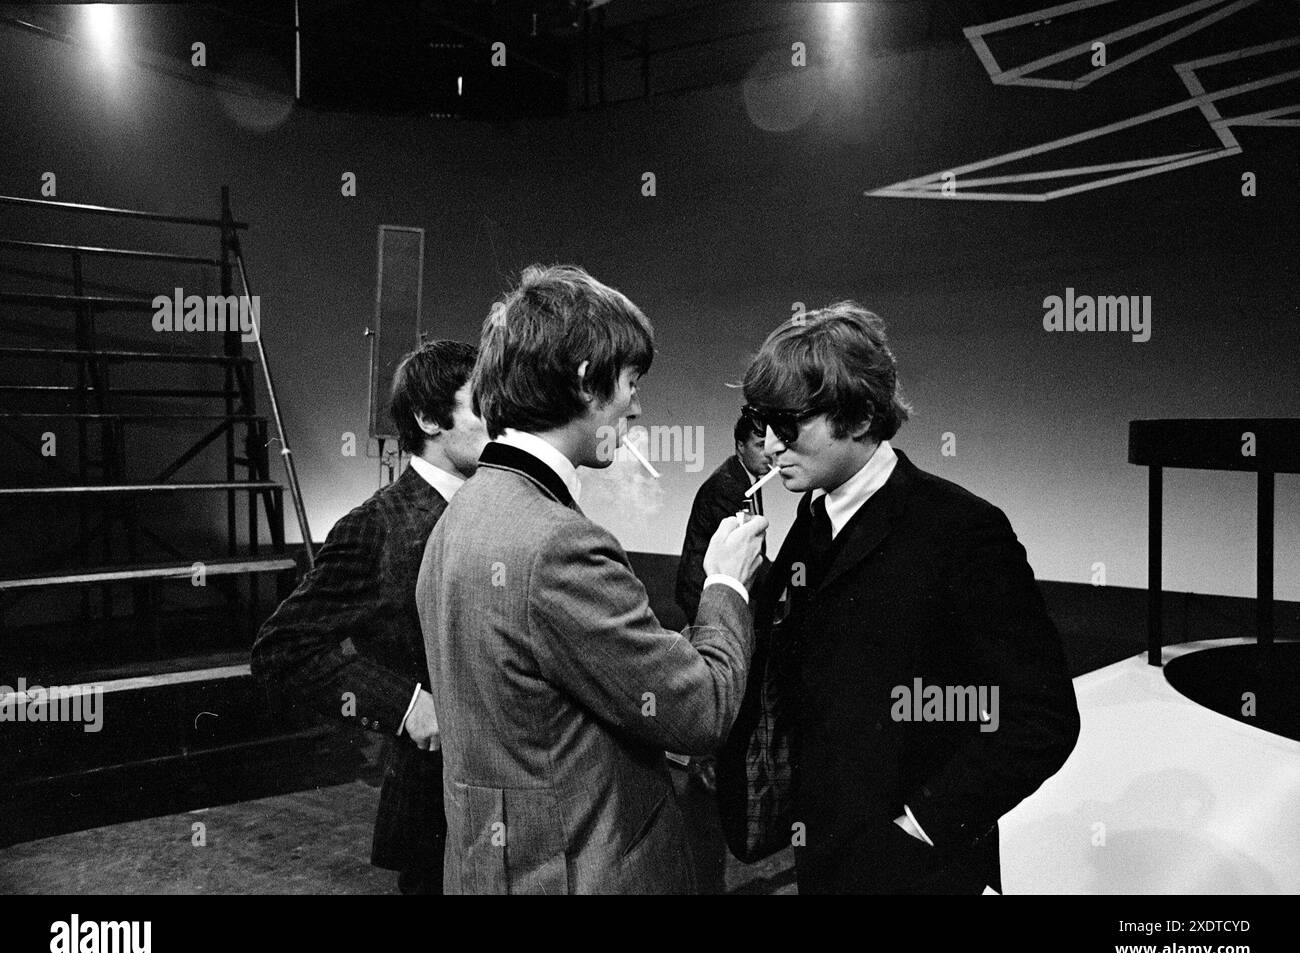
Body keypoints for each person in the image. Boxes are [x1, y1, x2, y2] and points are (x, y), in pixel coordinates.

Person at [416, 264, 768, 894]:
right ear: (585, 380)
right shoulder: (558, 543)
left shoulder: (459, 515)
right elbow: (700, 708)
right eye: (631, 382)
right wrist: (726, 585)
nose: (637, 404)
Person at [724, 302, 1080, 894]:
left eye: (786, 426)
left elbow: (1040, 716)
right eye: (760, 423)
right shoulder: (813, 515)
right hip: (825, 859)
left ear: (860, 416)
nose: (769, 446)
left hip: (918, 873)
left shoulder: (962, 531)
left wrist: (921, 825)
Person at [251, 339, 488, 895]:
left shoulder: (502, 506)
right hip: (438, 806)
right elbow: (282, 648)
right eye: (483, 407)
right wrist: (407, 707)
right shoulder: (376, 526)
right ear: (429, 418)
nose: (501, 425)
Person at [675, 414, 773, 624]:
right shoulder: (727, 486)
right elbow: (740, 550)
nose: (769, 454)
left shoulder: (746, 478)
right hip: (703, 595)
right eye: (760, 446)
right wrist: (786, 581)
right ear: (740, 446)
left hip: (709, 591)